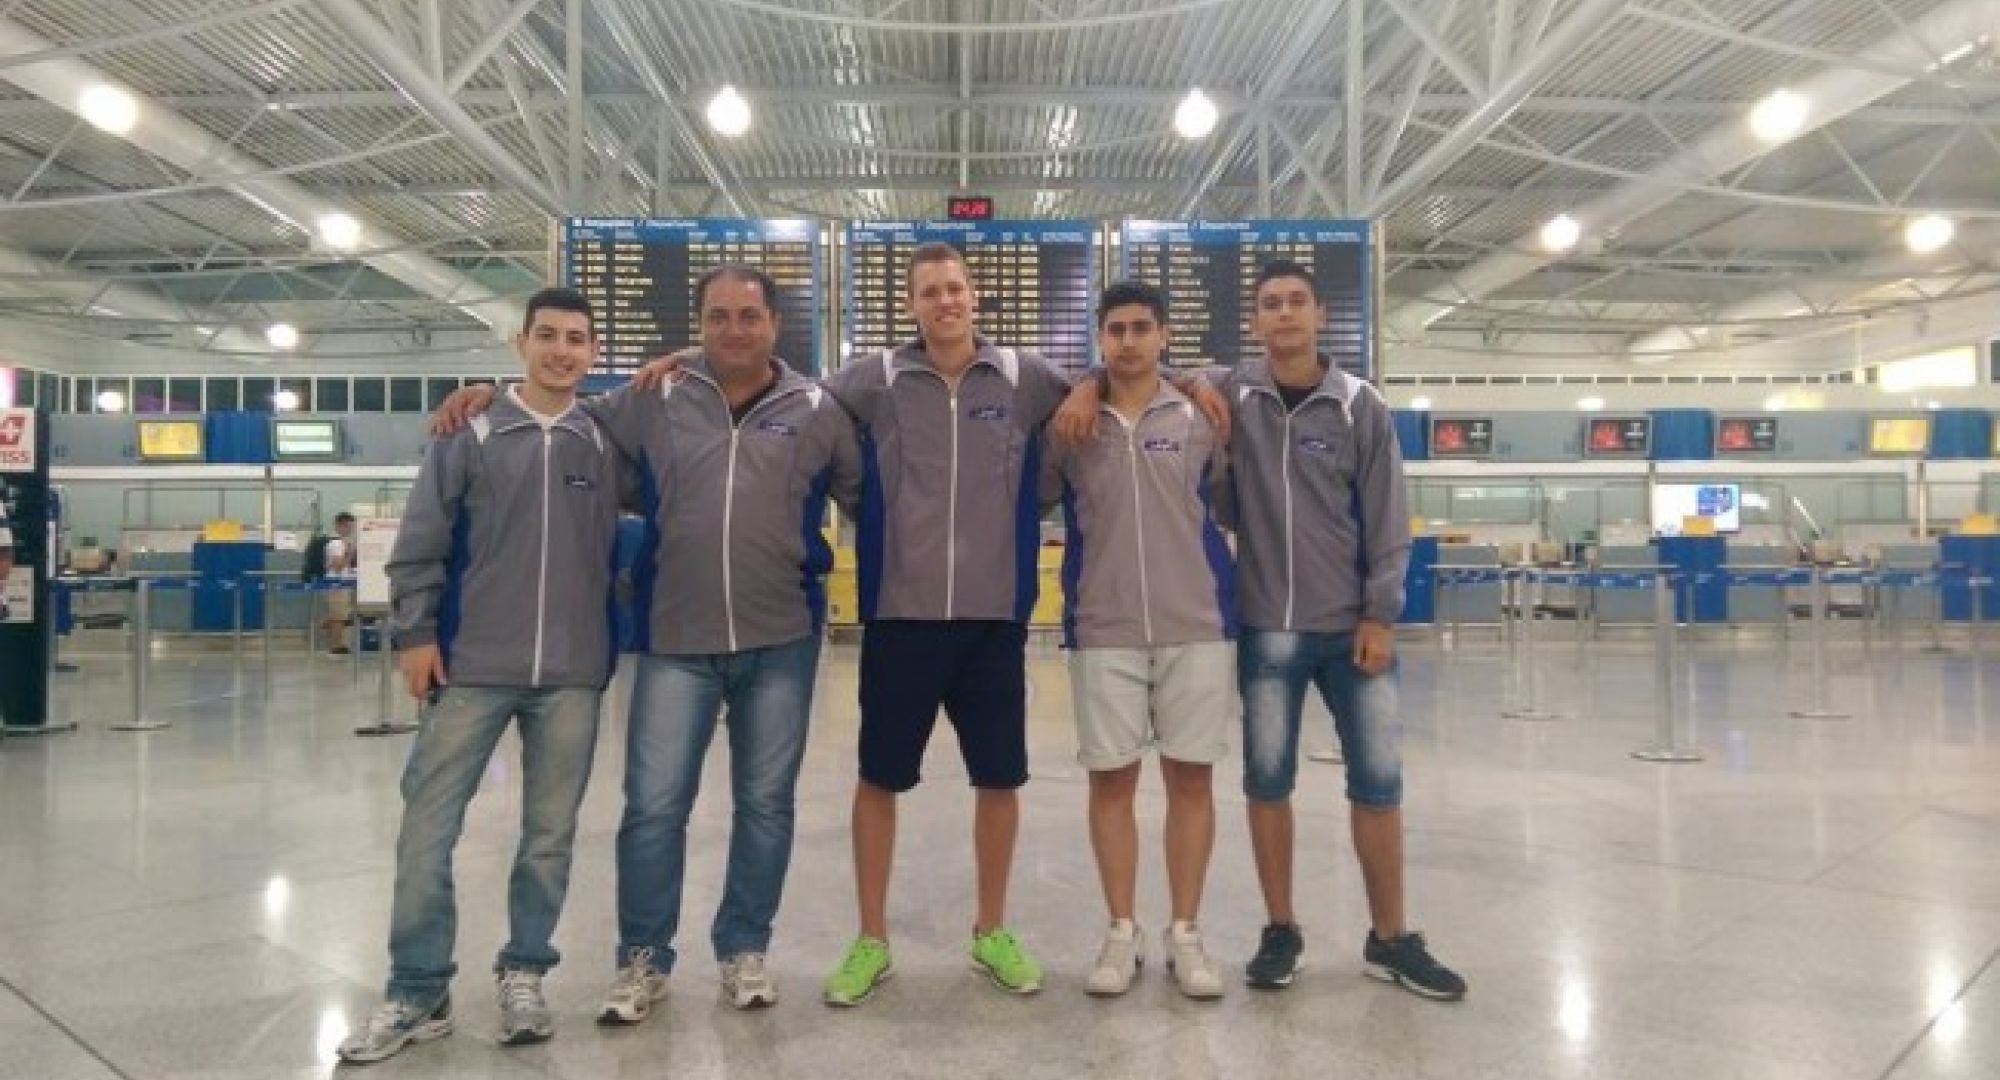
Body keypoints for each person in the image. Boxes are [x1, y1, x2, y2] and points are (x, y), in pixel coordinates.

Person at [432, 265, 864, 1021]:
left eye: (749, 315)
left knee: (766, 805)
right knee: (655, 807)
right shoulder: (651, 396)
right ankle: (642, 958)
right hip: (674, 638)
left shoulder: (817, 408)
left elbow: (865, 497)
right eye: (718, 316)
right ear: (699, 324)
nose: (734, 328)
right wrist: (486, 396)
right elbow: (556, 407)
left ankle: (744, 949)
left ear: (774, 324)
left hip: (781, 639)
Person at [1056, 260, 1465, 1003]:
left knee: (1378, 784)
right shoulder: (1232, 395)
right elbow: (1135, 366)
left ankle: (1391, 936)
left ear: (1319, 315)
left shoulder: (1357, 406)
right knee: (1267, 784)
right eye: (1270, 304)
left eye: (1296, 302)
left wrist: (1380, 612)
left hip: (1351, 627)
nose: (1284, 315)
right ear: (1254, 321)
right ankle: (1280, 930)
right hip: (1267, 624)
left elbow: (1387, 514)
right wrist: (1088, 382)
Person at [337, 287, 626, 1065]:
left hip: (571, 675)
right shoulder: (469, 432)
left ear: (593, 353)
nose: (561, 351)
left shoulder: (604, 441)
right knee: (427, 829)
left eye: (576, 339)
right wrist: (416, 633)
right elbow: (421, 541)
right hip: (470, 668)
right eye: (547, 336)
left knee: (548, 838)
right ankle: (417, 987)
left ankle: (525, 972)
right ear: (519, 343)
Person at [1041, 280, 1235, 999]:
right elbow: (1038, 493)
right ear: (1100, 339)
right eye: (1115, 329)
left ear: (1163, 335)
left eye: (1141, 328)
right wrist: (1085, 388)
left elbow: (1226, 493)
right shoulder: (1071, 425)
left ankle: (1185, 932)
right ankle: (1121, 931)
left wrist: (1194, 380)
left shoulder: (1200, 417)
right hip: (1104, 627)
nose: (1128, 341)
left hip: (1197, 624)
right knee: (1112, 781)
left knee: (1191, 779)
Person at [312, 512, 357, 654]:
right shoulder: (336, 544)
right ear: (339, 526)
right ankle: (336, 646)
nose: (350, 530)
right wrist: (349, 553)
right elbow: (338, 566)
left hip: (344, 583)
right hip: (336, 583)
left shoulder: (343, 543)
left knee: (340, 615)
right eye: (347, 526)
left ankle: (329, 631)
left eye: (351, 527)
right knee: (339, 617)